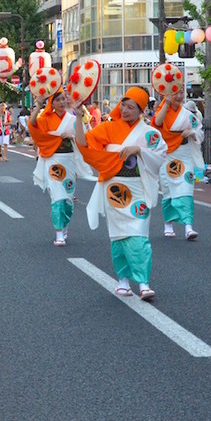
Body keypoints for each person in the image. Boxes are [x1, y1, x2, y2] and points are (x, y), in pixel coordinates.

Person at [76, 87, 167, 300]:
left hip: (138, 187)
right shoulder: (109, 127)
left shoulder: (150, 133)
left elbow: (160, 156)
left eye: (131, 107)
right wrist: (79, 118)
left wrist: (140, 150)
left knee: (139, 234)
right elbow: (83, 144)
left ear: (141, 110)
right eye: (123, 105)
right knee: (118, 236)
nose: (125, 110)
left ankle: (144, 282)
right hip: (115, 188)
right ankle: (124, 280)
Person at [29, 88, 80, 246]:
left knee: (68, 200)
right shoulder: (46, 118)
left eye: (64, 99)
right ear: (52, 102)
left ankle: (64, 225)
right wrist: (38, 106)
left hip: (69, 160)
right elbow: (33, 124)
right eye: (58, 100)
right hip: (53, 159)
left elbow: (84, 138)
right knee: (58, 196)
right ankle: (59, 233)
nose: (62, 102)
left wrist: (71, 136)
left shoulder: (72, 119)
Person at [153, 90, 203, 240]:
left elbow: (199, 130)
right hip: (166, 154)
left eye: (181, 93)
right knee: (168, 189)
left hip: (184, 153)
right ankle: (168, 224)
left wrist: (193, 133)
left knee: (186, 186)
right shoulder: (162, 110)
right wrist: (166, 103)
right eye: (175, 93)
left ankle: (188, 226)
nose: (179, 96)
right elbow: (157, 123)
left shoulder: (187, 114)